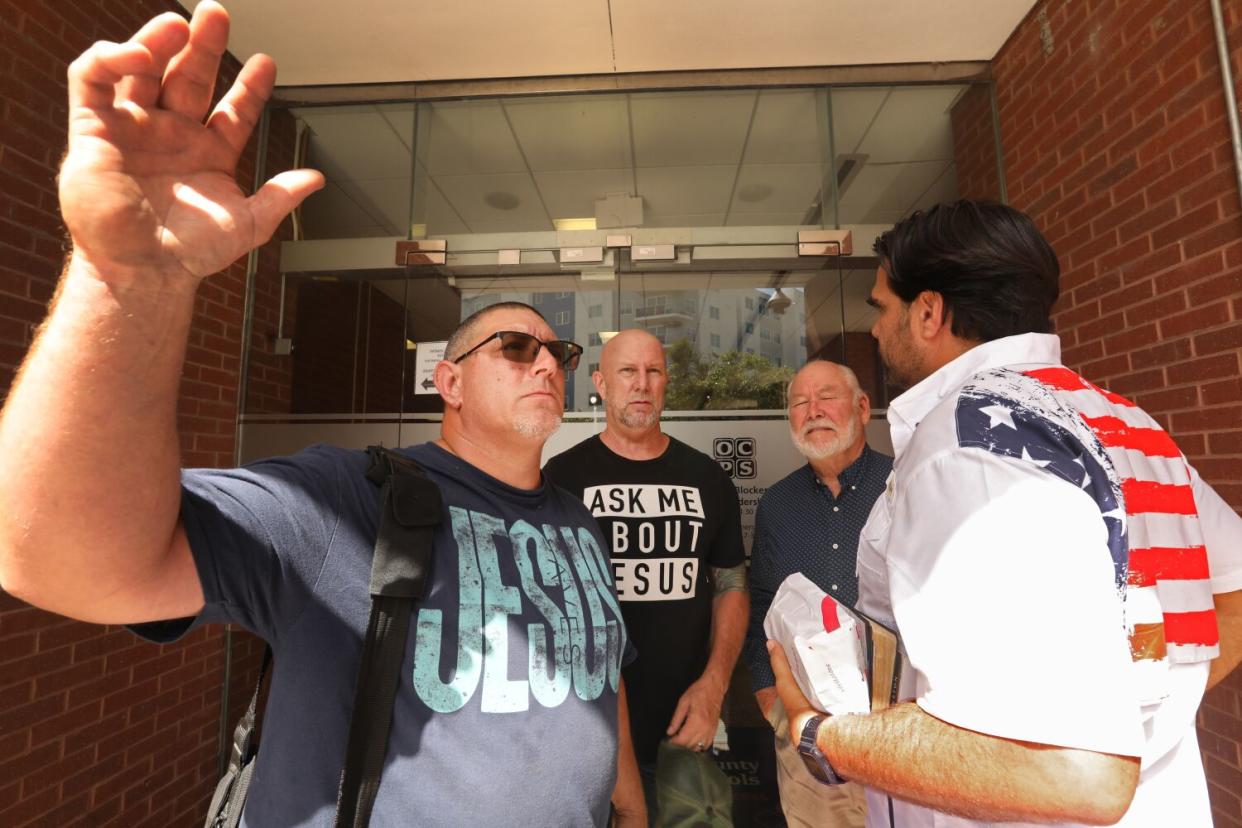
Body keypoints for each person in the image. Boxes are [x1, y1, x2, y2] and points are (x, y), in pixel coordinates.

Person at [0, 4, 646, 826]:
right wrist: (129, 281)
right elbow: (54, 555)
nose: (549, 363)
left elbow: (600, 671)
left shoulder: (574, 520)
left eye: (563, 355)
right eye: (516, 348)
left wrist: (631, 803)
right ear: (447, 382)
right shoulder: (346, 500)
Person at [767, 200, 1242, 827]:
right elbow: (1232, 595)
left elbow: (1078, 768)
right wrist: (1152, 709)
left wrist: (822, 736)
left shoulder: (967, 446)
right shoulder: (1131, 424)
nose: (877, 331)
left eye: (882, 307)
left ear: (929, 312)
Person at [544, 329, 749, 823]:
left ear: (666, 382)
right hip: (585, 734)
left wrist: (714, 686)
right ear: (601, 383)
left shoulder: (705, 476)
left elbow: (731, 586)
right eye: (627, 372)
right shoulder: (560, 478)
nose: (641, 384)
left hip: (684, 729)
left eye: (653, 371)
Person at [741, 360, 891, 827]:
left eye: (826, 397)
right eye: (800, 403)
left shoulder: (902, 485)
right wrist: (772, 697)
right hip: (809, 722)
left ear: (862, 408)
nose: (813, 411)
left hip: (898, 719)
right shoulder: (778, 503)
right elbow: (761, 601)